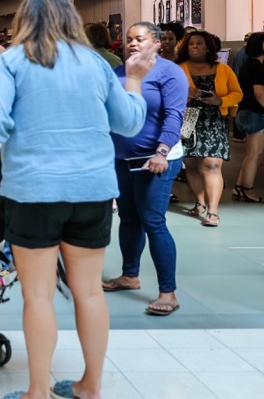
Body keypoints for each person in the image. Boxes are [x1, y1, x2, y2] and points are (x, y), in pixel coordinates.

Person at [0, 0, 155, 399]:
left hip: (32, 191)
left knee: (37, 296)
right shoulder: (95, 63)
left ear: (23, 21)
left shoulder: (12, 62)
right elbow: (127, 123)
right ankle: (91, 385)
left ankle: (38, 391)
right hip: (92, 191)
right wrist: (136, 81)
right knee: (88, 292)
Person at [102, 22, 187, 317]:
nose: (132, 43)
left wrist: (162, 151)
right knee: (128, 218)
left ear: (157, 43)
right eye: (128, 39)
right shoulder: (119, 72)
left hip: (155, 159)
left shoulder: (169, 72)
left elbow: (175, 116)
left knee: (153, 220)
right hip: (122, 158)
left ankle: (168, 292)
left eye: (140, 39)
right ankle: (130, 275)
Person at [177, 29, 243, 228]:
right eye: (191, 44)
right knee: (191, 164)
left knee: (212, 165)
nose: (195, 47)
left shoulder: (223, 69)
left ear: (208, 48)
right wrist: (186, 92)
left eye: (199, 43)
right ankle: (200, 203)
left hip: (214, 120)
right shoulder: (179, 68)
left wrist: (220, 100)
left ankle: (213, 211)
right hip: (187, 119)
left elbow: (238, 94)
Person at [233, 32, 264, 203]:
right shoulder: (255, 66)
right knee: (254, 154)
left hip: (248, 113)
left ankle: (239, 186)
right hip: (255, 114)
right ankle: (247, 190)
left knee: (254, 154)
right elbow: (260, 94)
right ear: (258, 45)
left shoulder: (252, 65)